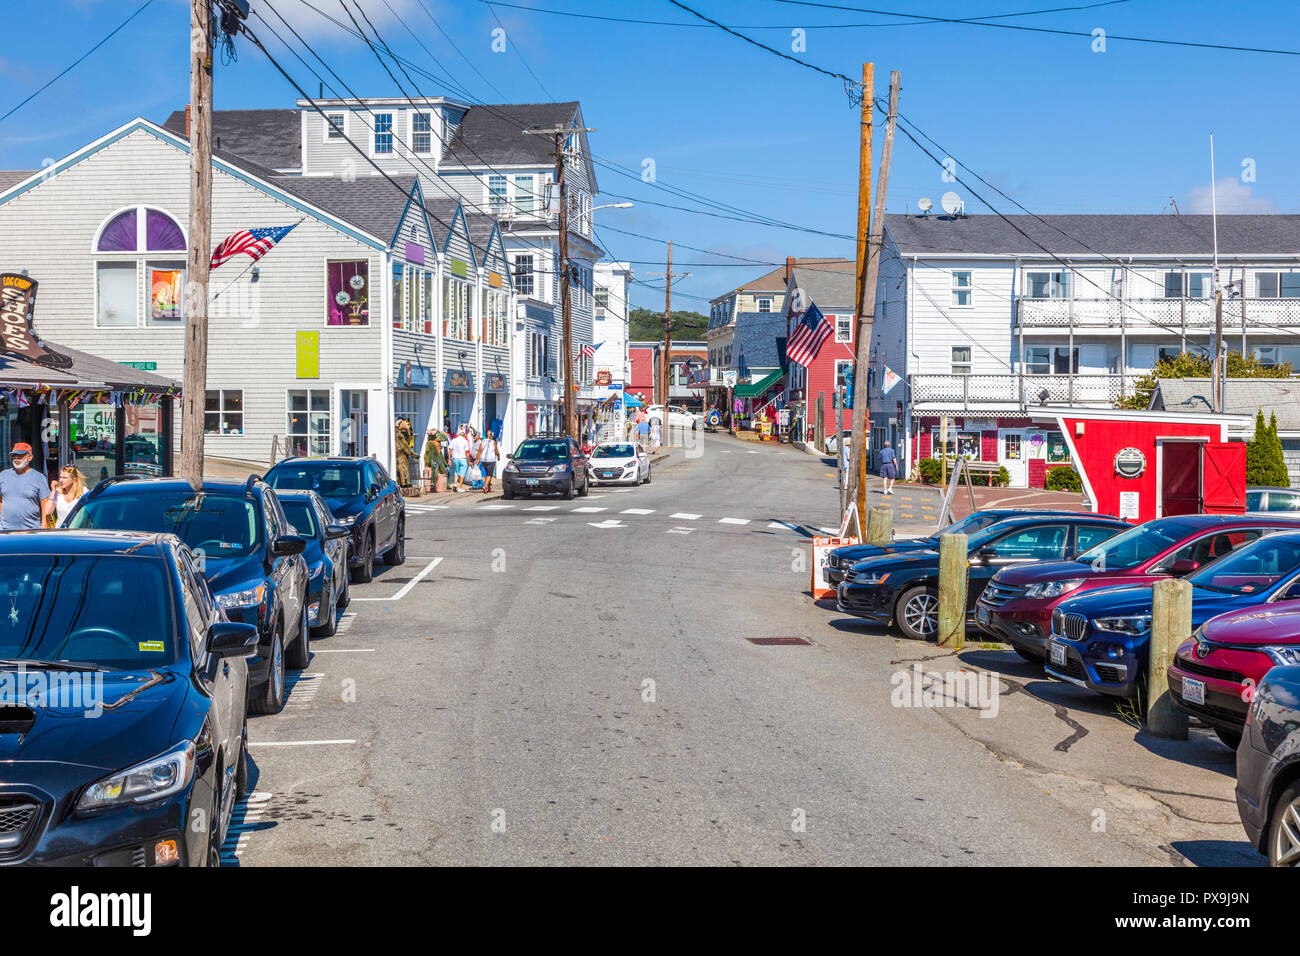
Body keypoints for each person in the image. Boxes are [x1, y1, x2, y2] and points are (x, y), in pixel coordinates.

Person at [0, 443, 52, 531]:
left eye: (20, 456)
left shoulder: (39, 478)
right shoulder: (3, 475)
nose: (16, 458)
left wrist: (44, 528)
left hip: (31, 530)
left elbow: (45, 504)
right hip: (5, 530)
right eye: (14, 455)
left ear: (30, 457)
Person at [448, 426, 471, 492]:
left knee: (457, 472)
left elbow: (450, 450)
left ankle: (455, 484)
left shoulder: (454, 440)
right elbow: (467, 452)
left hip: (455, 458)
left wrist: (449, 459)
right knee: (462, 473)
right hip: (463, 459)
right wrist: (469, 461)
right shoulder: (465, 441)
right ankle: (460, 487)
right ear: (464, 435)